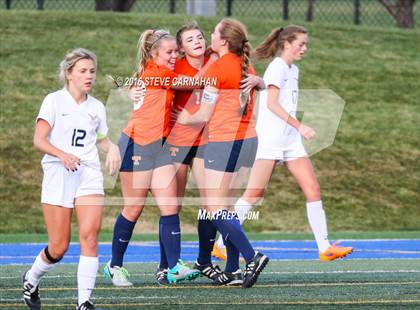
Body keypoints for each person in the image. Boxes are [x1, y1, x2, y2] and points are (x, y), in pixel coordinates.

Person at [213, 25, 353, 262]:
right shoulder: (277, 67)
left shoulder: (293, 69)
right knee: (254, 194)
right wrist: (301, 126)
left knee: (313, 189)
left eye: (306, 44)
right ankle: (220, 244)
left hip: (290, 141)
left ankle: (324, 247)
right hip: (270, 139)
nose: (304, 48)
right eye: (301, 44)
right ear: (287, 43)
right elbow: (272, 105)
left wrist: (295, 132)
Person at [22, 48, 121, 310]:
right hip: (59, 173)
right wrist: (62, 155)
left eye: (92, 71)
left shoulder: (97, 107)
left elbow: (100, 140)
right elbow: (39, 140)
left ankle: (84, 302)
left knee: (90, 236)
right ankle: (31, 278)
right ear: (68, 74)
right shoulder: (53, 101)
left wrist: (112, 148)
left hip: (88, 174)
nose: (89, 76)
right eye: (83, 71)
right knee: (59, 246)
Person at [103, 29, 201, 287]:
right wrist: (219, 67)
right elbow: (192, 82)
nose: (174, 56)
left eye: (175, 52)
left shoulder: (158, 72)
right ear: (153, 53)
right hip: (136, 145)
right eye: (169, 52)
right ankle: (114, 266)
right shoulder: (158, 73)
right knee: (134, 208)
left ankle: (173, 266)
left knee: (170, 207)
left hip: (158, 147)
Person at [178, 18, 268, 288]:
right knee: (225, 207)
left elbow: (203, 113)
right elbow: (258, 99)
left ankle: (253, 257)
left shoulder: (217, 68)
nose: (210, 37)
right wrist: (261, 84)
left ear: (224, 42)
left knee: (215, 208)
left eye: (215, 33)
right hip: (248, 140)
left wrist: (183, 119)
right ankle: (232, 269)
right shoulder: (246, 65)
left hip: (224, 142)